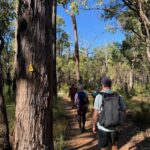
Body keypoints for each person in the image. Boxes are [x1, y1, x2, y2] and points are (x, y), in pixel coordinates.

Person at [93, 77, 126, 150]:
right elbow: (123, 111)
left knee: (104, 147)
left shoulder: (98, 97)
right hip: (115, 128)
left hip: (103, 128)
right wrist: (121, 124)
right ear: (110, 85)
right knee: (114, 145)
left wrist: (94, 126)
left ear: (102, 85)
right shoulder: (119, 96)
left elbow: (95, 115)